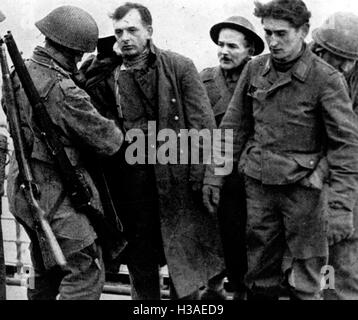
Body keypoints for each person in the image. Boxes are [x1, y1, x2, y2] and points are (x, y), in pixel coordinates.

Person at [203, 0, 358, 300]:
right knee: (259, 274)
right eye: (268, 33)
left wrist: (340, 210)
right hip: (260, 187)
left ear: (303, 32)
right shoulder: (254, 67)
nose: (273, 42)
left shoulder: (326, 79)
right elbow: (233, 128)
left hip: (305, 193)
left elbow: (345, 147)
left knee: (307, 280)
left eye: (282, 34)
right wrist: (215, 175)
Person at [80, 2, 224, 300]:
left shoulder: (179, 66)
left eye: (132, 30)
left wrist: (210, 177)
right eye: (119, 32)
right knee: (141, 267)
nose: (125, 37)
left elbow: (206, 127)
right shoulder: (109, 74)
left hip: (178, 184)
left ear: (149, 31)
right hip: (132, 188)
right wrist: (94, 68)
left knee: (185, 269)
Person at [5, 6, 124, 300]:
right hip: (54, 195)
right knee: (86, 271)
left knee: (46, 268)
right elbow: (110, 141)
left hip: (21, 188)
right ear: (75, 53)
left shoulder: (18, 74)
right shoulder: (65, 90)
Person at [199, 16, 264, 300]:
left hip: (244, 178)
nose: (224, 51)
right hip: (211, 174)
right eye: (221, 45)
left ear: (250, 50)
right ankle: (211, 291)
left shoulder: (261, 82)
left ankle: (241, 290)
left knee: (243, 244)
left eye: (233, 46)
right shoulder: (204, 79)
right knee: (210, 240)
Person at [310, 12, 358, 300]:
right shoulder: (308, 73)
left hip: (347, 192)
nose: (346, 66)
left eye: (351, 59)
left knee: (345, 267)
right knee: (321, 269)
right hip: (312, 191)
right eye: (338, 58)